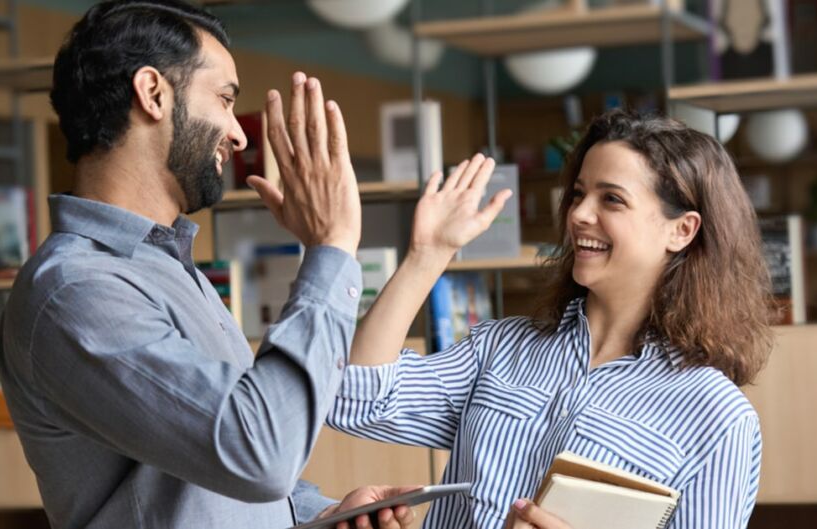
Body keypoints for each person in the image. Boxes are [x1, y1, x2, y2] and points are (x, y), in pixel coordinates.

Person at [0, 1, 417, 527]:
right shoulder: (75, 291)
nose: (239, 134)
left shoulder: (169, 268)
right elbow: (258, 453)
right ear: (153, 94)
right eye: (224, 99)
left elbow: (209, 473)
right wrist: (332, 247)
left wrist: (321, 514)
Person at [326, 110, 775, 528]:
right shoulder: (500, 348)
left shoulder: (717, 418)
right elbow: (353, 399)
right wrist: (426, 256)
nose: (578, 214)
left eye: (612, 200)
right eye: (579, 194)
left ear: (682, 230)